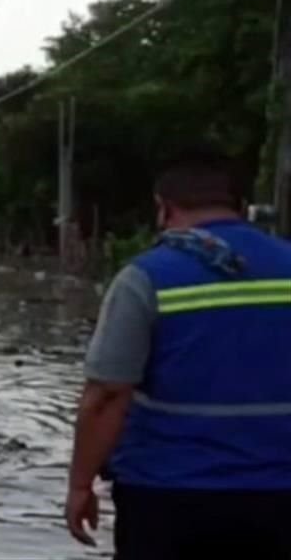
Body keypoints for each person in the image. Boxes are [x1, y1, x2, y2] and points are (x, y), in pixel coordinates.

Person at [65, 150, 291, 559]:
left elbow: (106, 397)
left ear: (163, 208)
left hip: (168, 495)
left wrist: (80, 486)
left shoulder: (146, 278)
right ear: (241, 207)